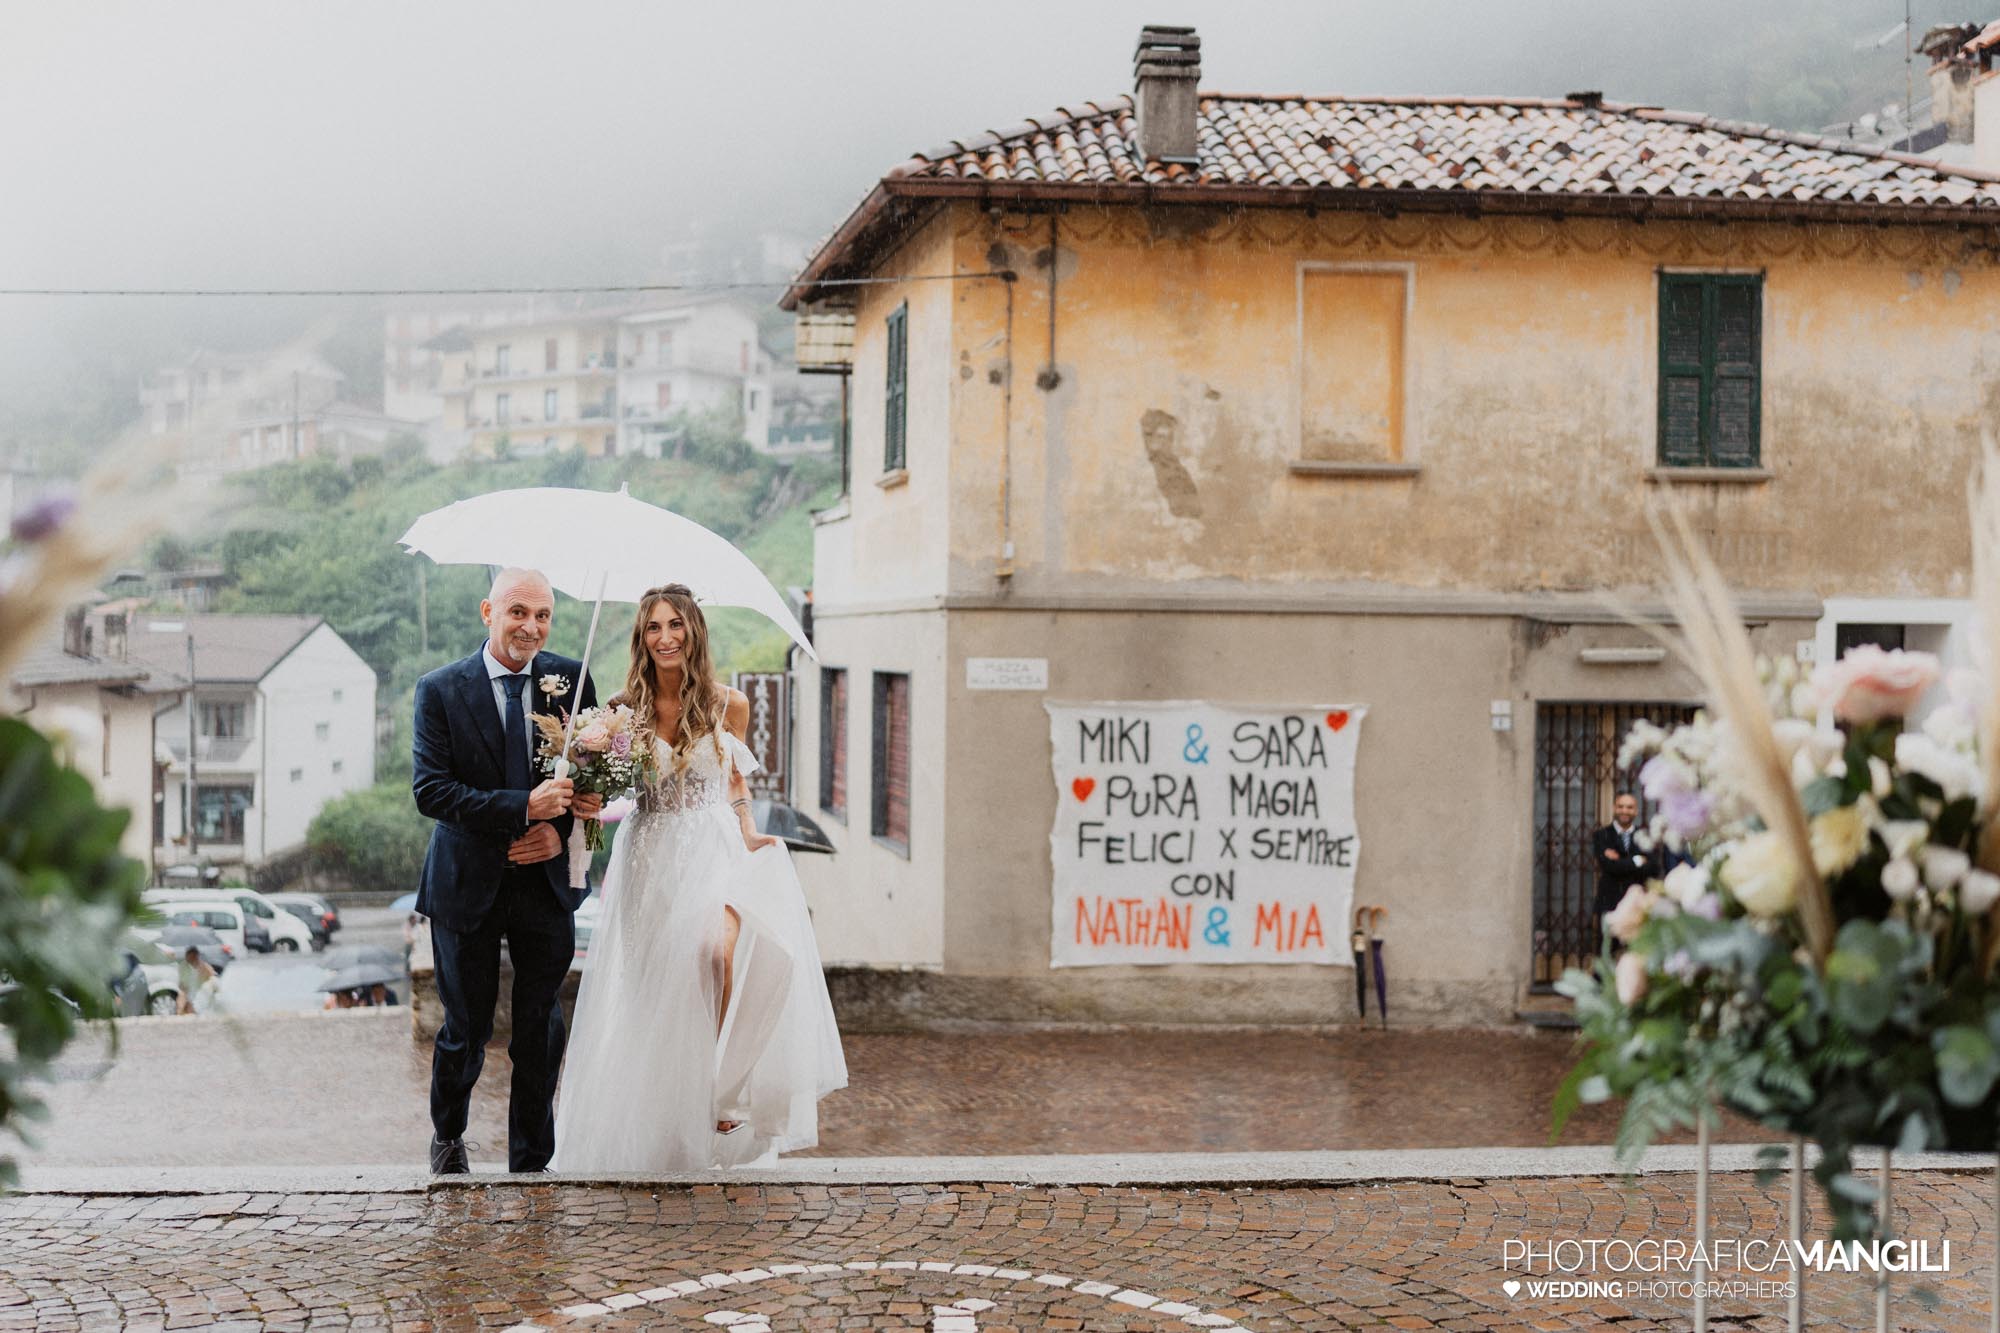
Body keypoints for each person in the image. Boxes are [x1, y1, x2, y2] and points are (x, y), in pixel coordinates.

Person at [552, 583, 846, 1170]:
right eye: (655, 627)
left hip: (713, 844)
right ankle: (664, 1117)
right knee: (655, 989)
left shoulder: (727, 703)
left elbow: (735, 780)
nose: (666, 637)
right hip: (649, 851)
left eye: (676, 625)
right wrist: (581, 769)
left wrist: (749, 828)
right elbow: (607, 791)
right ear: (643, 637)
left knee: (718, 954)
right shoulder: (620, 709)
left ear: (693, 632)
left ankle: (720, 1087)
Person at [412, 567, 600, 1174]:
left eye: (543, 615)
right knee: (465, 1025)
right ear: (487, 612)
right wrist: (521, 807)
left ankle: (532, 1162)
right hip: (466, 881)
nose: (532, 627)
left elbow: (595, 783)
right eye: (519, 612)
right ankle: (448, 1139)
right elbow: (432, 792)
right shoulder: (438, 690)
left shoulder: (570, 681)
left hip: (544, 883)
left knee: (540, 1028)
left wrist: (559, 827)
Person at [1592, 791, 1653, 919]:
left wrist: (1620, 862)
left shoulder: (1645, 836)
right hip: (1609, 903)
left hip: (1637, 904)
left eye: (1629, 807)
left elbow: (1652, 868)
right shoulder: (1601, 835)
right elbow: (1609, 867)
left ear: (1636, 811)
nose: (1624, 811)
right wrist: (1637, 860)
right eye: (1620, 806)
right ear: (1614, 808)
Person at [176, 946, 219, 1015]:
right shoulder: (183, 966)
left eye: (191, 956)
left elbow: (213, 977)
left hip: (200, 992)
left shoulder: (204, 966)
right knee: (182, 1001)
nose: (188, 958)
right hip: (188, 992)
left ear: (195, 956)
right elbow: (181, 982)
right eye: (187, 956)